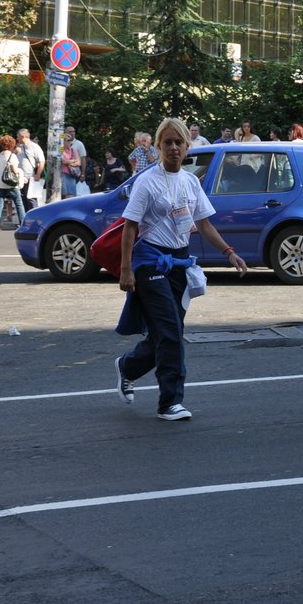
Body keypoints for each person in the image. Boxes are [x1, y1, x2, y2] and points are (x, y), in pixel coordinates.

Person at [114, 117, 246, 422]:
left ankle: (128, 367)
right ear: (158, 146)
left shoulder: (190, 182)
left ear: (187, 146)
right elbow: (130, 227)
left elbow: (204, 223)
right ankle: (170, 402)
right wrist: (125, 270)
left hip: (179, 263)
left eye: (179, 142)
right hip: (150, 262)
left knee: (166, 332)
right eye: (168, 142)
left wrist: (229, 253)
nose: (173, 147)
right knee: (171, 332)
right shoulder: (147, 182)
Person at [0, 134, 28, 230]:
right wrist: (20, 176)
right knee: (19, 203)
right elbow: (15, 170)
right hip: (11, 183)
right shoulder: (13, 156)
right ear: (12, 144)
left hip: (0, 182)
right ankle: (23, 222)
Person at [15, 128, 46, 210]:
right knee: (22, 200)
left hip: (30, 178)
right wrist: (15, 152)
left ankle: (33, 219)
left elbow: (42, 161)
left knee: (31, 200)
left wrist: (38, 174)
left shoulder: (35, 147)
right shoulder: (18, 147)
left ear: (23, 136)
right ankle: (25, 220)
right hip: (19, 178)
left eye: (17, 136)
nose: (16, 138)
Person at [60, 126, 88, 197]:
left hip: (73, 174)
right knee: (66, 195)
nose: (72, 133)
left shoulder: (78, 144)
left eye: (74, 131)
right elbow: (63, 161)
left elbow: (81, 161)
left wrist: (83, 174)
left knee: (72, 195)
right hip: (64, 174)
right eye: (70, 132)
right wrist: (72, 161)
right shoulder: (60, 148)